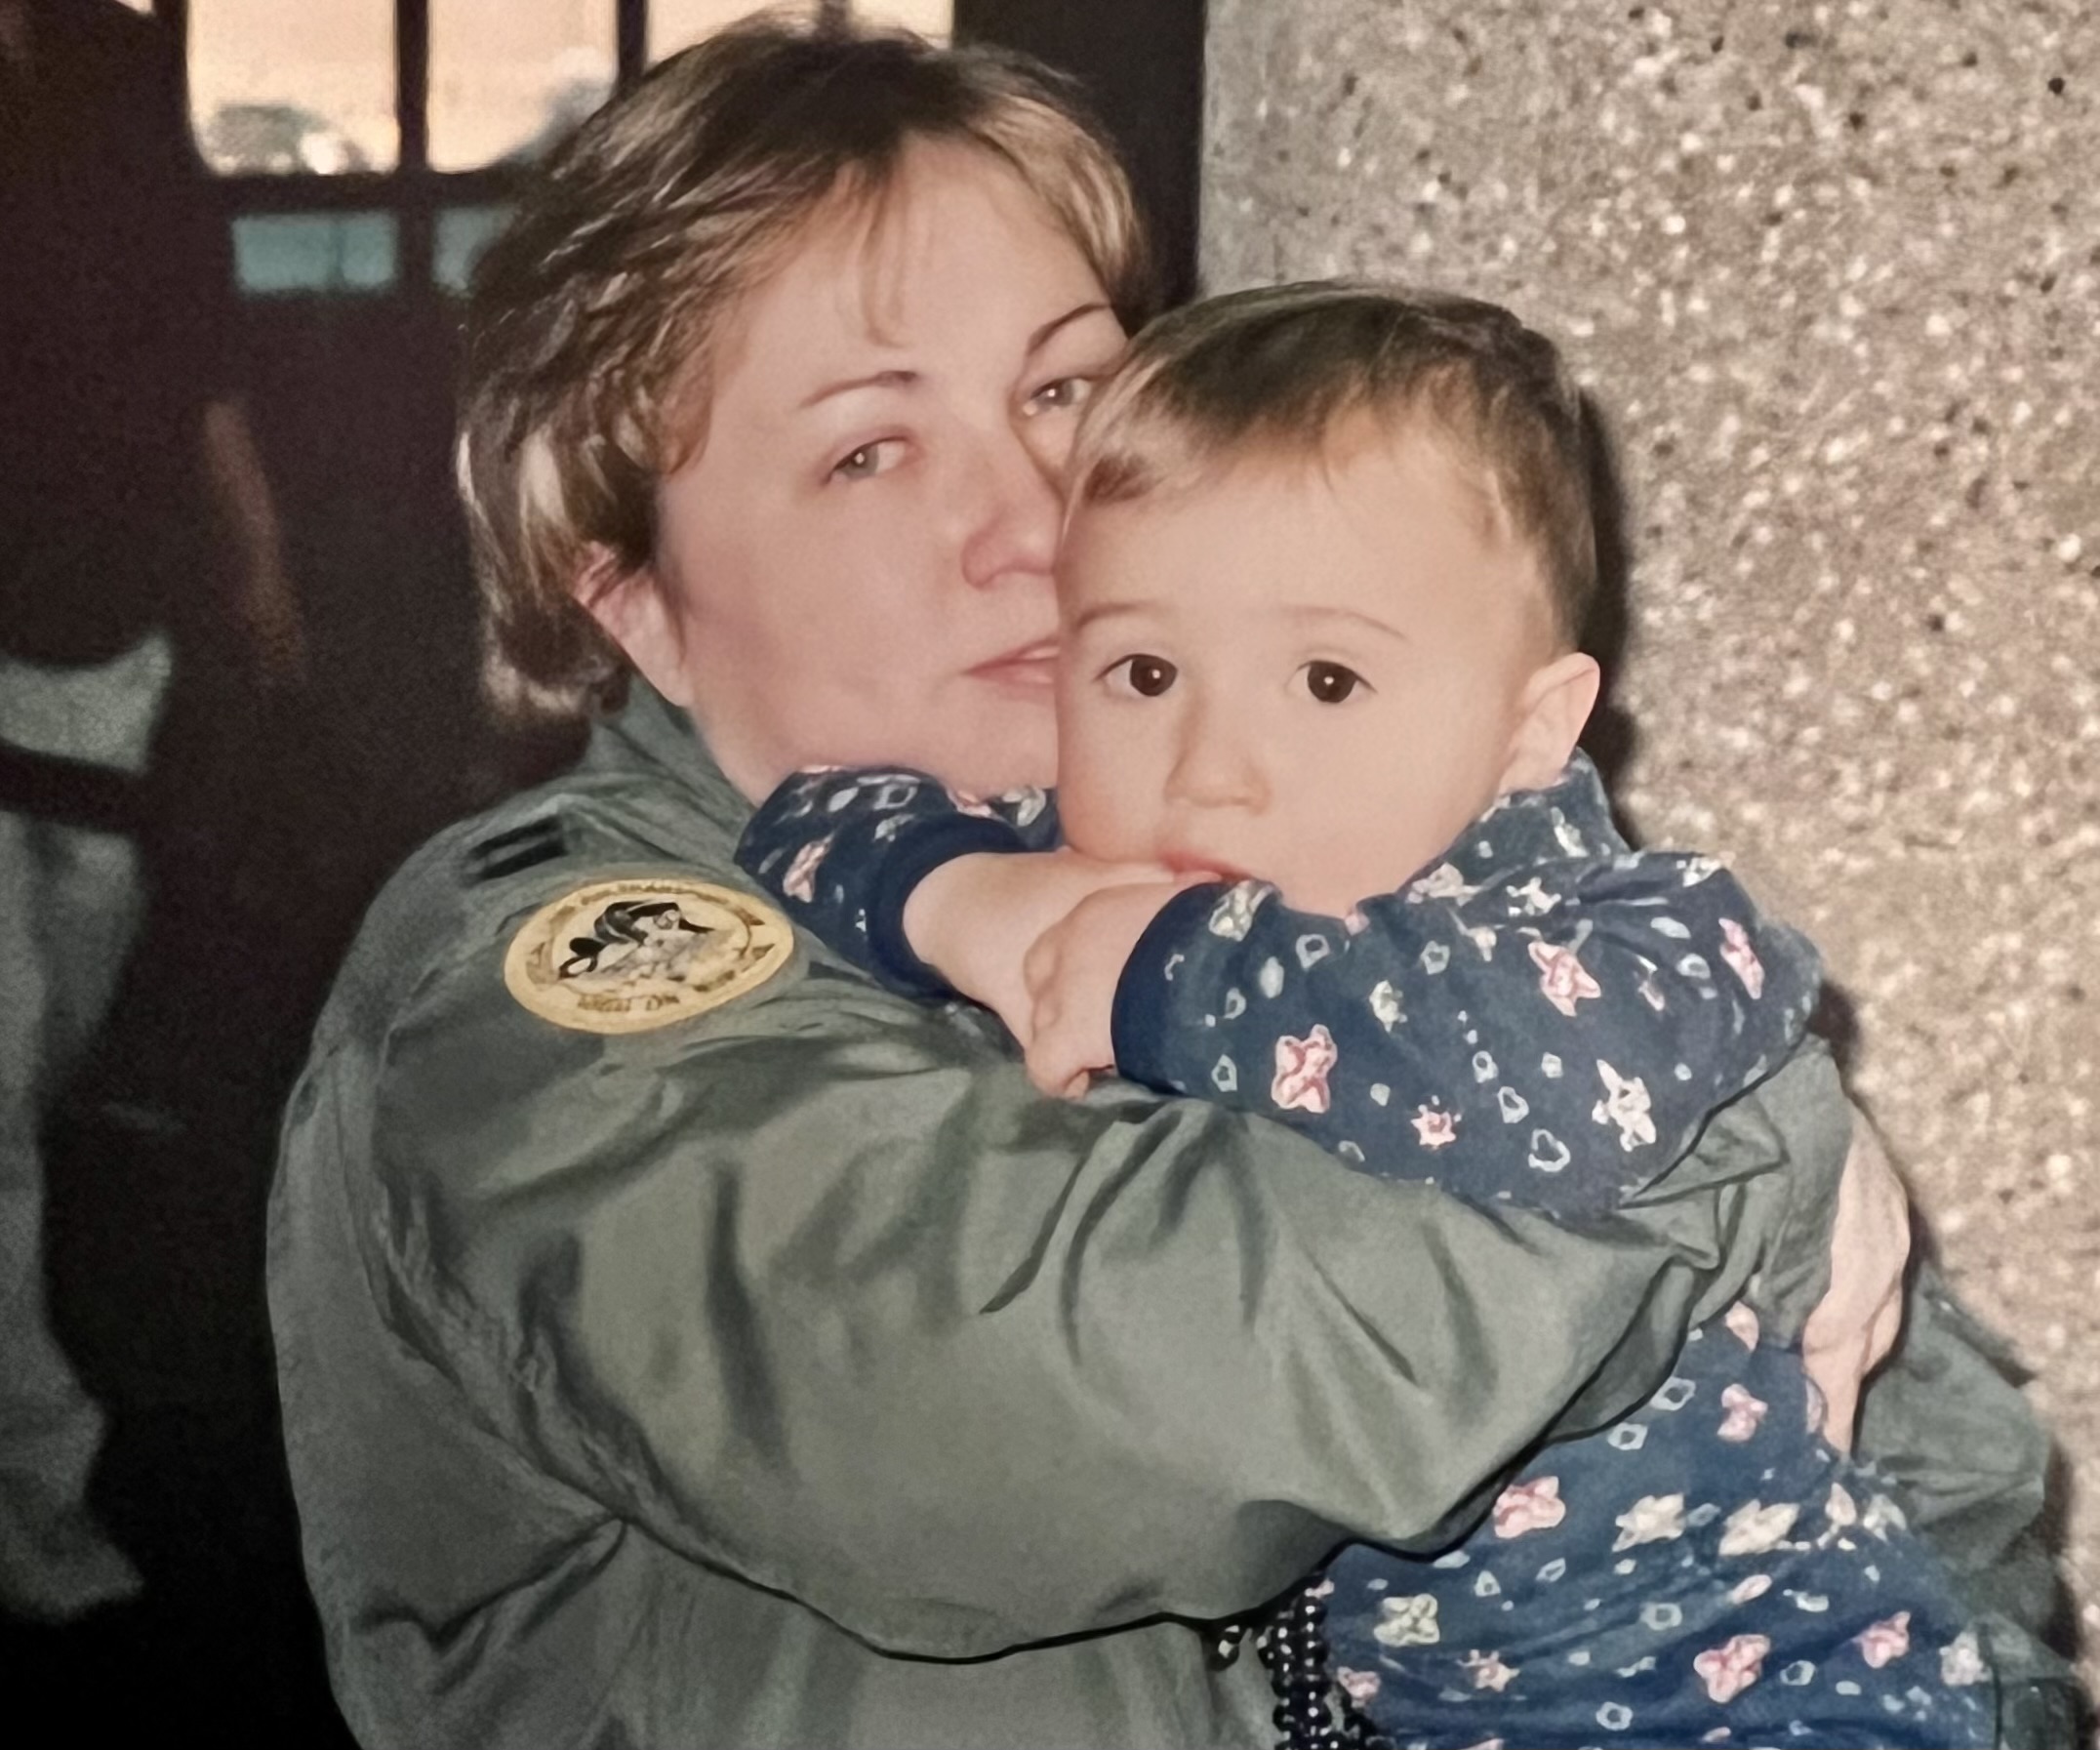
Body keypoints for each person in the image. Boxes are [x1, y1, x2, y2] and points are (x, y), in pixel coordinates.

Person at [265, 17, 2072, 1747]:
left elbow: (1934, 1452)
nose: (1041, 515)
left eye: (1065, 384)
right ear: (630, 597)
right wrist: (1739, 1133)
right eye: (869, 447)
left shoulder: (1253, 864)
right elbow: (1114, 1383)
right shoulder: (543, 988)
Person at [734, 283, 1999, 1746]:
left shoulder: (1640, 924)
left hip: (1766, 1705)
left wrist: (1169, 967)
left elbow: (1551, 1096)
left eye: (1327, 679)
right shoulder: (1133, 871)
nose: (1210, 766)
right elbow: (812, 819)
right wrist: (975, 906)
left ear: (1531, 728)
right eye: (1141, 671)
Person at [0, 0, 302, 1622]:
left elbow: (197, 340)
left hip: (103, 619)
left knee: (50, 1055)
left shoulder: (113, 67)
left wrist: (255, 562)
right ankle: (38, 1513)